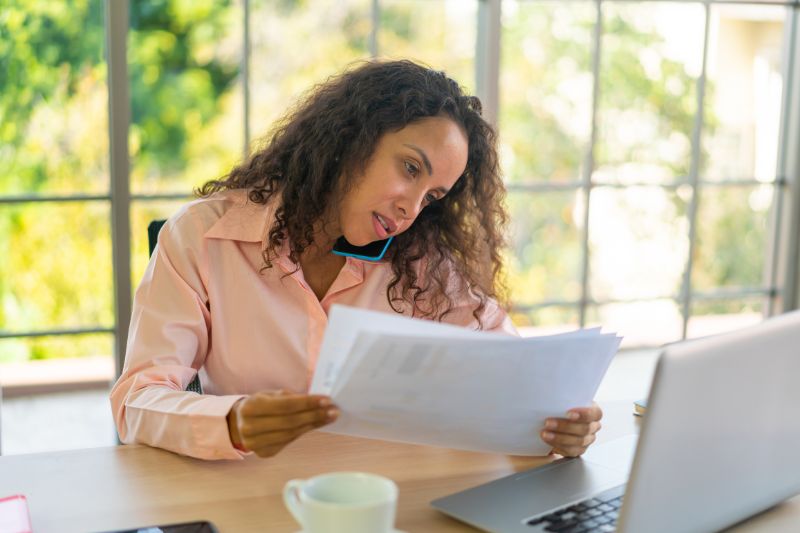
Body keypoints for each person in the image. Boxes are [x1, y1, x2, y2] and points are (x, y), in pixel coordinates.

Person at [110, 59, 603, 461]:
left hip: (381, 498)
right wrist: (232, 421)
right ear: (351, 138)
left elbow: (517, 370)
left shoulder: (422, 262)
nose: (411, 208)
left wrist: (562, 421)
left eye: (432, 196)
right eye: (410, 168)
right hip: (251, 496)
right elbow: (135, 400)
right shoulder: (202, 236)